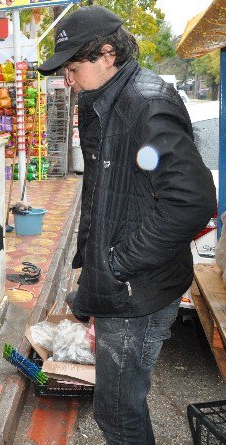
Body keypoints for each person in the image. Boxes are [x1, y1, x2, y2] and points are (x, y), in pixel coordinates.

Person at [38, 6, 215, 444]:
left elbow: (191, 201)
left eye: (74, 68)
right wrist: (90, 259)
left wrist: (115, 263)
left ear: (106, 54)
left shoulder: (145, 104)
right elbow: (109, 193)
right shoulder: (107, 101)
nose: (69, 81)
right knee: (122, 405)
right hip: (125, 285)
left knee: (117, 414)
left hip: (137, 294)